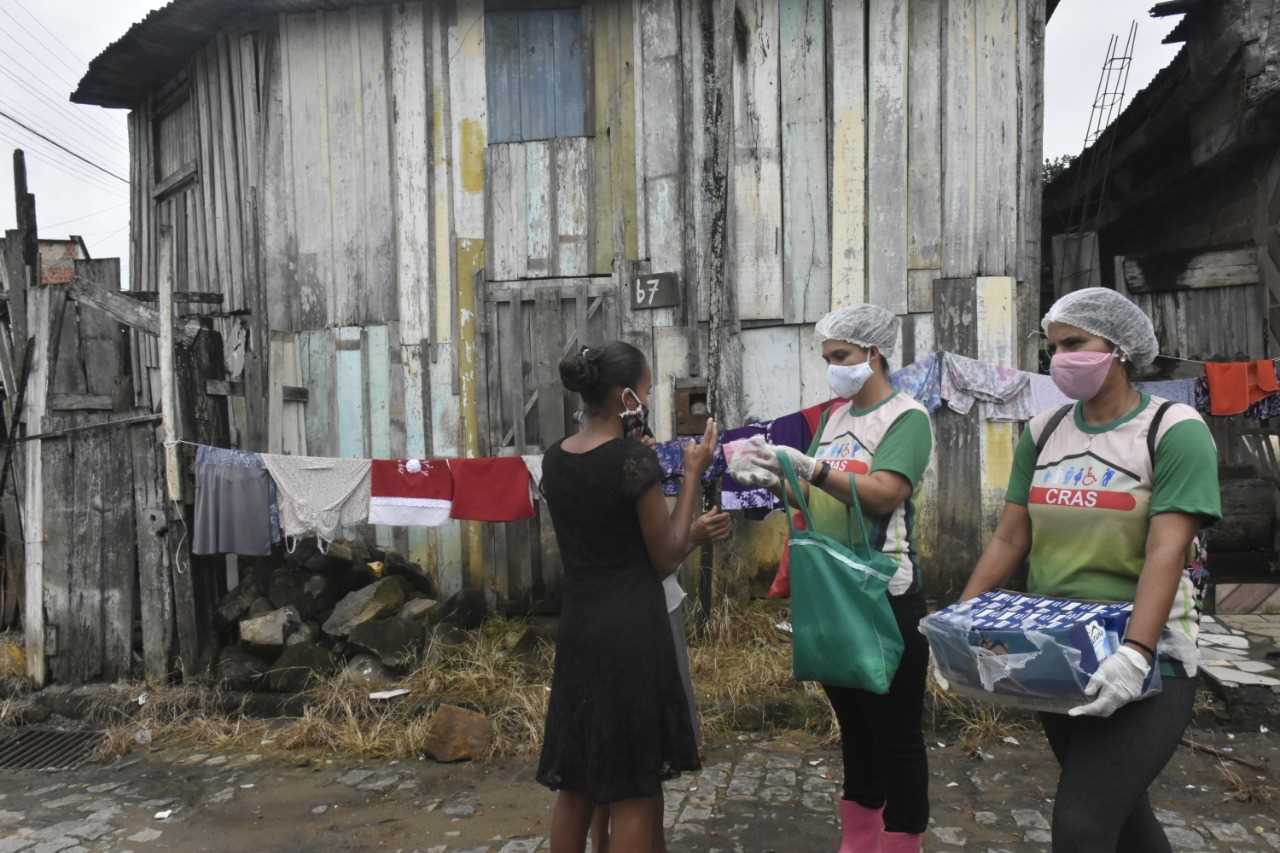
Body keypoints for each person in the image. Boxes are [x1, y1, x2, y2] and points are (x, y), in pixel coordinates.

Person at [960, 287, 1221, 852]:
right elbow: (1009, 536)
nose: (1060, 359)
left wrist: (1137, 653)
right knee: (1123, 818)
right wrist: (962, 622)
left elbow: (1165, 551)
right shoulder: (1046, 430)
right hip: (1057, 650)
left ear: (1121, 345)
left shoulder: (1172, 429)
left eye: (1075, 343)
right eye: (1053, 347)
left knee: (1081, 826)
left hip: (1150, 658)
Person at [735, 304, 934, 853]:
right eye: (827, 358)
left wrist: (813, 468)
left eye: (841, 356)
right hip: (831, 589)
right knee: (855, 728)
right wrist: (774, 478)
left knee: (896, 736)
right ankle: (858, 840)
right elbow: (815, 494)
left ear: (874, 354)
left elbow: (885, 494)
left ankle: (900, 844)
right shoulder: (834, 418)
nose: (833, 368)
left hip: (883, 594)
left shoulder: (906, 418)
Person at [538, 341, 724, 853]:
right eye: (644, 393)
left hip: (579, 627)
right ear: (625, 398)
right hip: (631, 633)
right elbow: (664, 555)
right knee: (633, 792)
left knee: (574, 784)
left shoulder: (554, 459)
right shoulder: (633, 462)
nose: (646, 401)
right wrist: (691, 474)